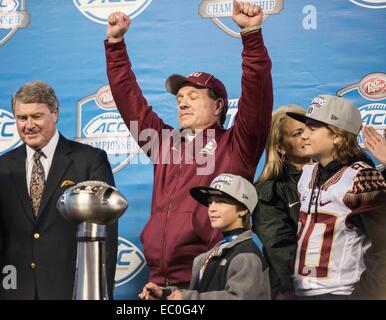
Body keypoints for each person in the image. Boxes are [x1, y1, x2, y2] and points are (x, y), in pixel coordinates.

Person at [105, 1, 273, 288]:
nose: (182, 102)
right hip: (158, 283)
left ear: (219, 105)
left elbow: (257, 92)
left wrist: (251, 34)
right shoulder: (163, 143)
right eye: (179, 97)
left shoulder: (237, 145)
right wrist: (116, 44)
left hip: (213, 279)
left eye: (193, 96)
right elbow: (130, 102)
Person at [0, 80, 118, 300]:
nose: (28, 125)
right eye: (21, 118)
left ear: (55, 114)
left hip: (71, 292)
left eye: (37, 116)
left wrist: (97, 295)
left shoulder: (89, 161)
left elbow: (104, 240)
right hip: (14, 292)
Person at [287, 95, 386, 299]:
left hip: (340, 291)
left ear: (338, 137)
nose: (303, 135)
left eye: (313, 129)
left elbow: (382, 247)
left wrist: (365, 295)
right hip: (301, 290)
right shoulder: (306, 173)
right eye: (304, 128)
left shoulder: (361, 177)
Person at [139, 174, 270, 300]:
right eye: (210, 202)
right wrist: (165, 294)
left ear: (243, 209)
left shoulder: (247, 256)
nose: (212, 208)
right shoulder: (210, 255)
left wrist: (186, 299)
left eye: (220, 201)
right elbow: (201, 293)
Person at [252, 105, 310, 300]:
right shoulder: (269, 190)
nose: (306, 136)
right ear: (280, 147)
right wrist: (298, 288)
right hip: (292, 290)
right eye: (297, 133)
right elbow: (280, 247)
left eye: (310, 129)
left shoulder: (336, 177)